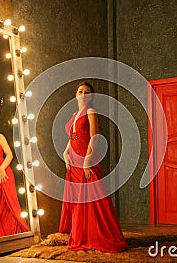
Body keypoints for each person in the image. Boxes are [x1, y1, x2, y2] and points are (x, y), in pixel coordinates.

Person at [59, 82, 128, 252]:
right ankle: (81, 232)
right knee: (78, 199)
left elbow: (94, 137)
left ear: (91, 96)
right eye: (80, 91)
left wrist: (87, 162)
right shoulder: (75, 113)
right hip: (74, 161)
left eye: (87, 92)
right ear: (76, 94)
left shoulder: (90, 112)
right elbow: (73, 136)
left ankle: (98, 234)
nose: (83, 94)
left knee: (93, 198)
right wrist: (65, 152)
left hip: (86, 159)